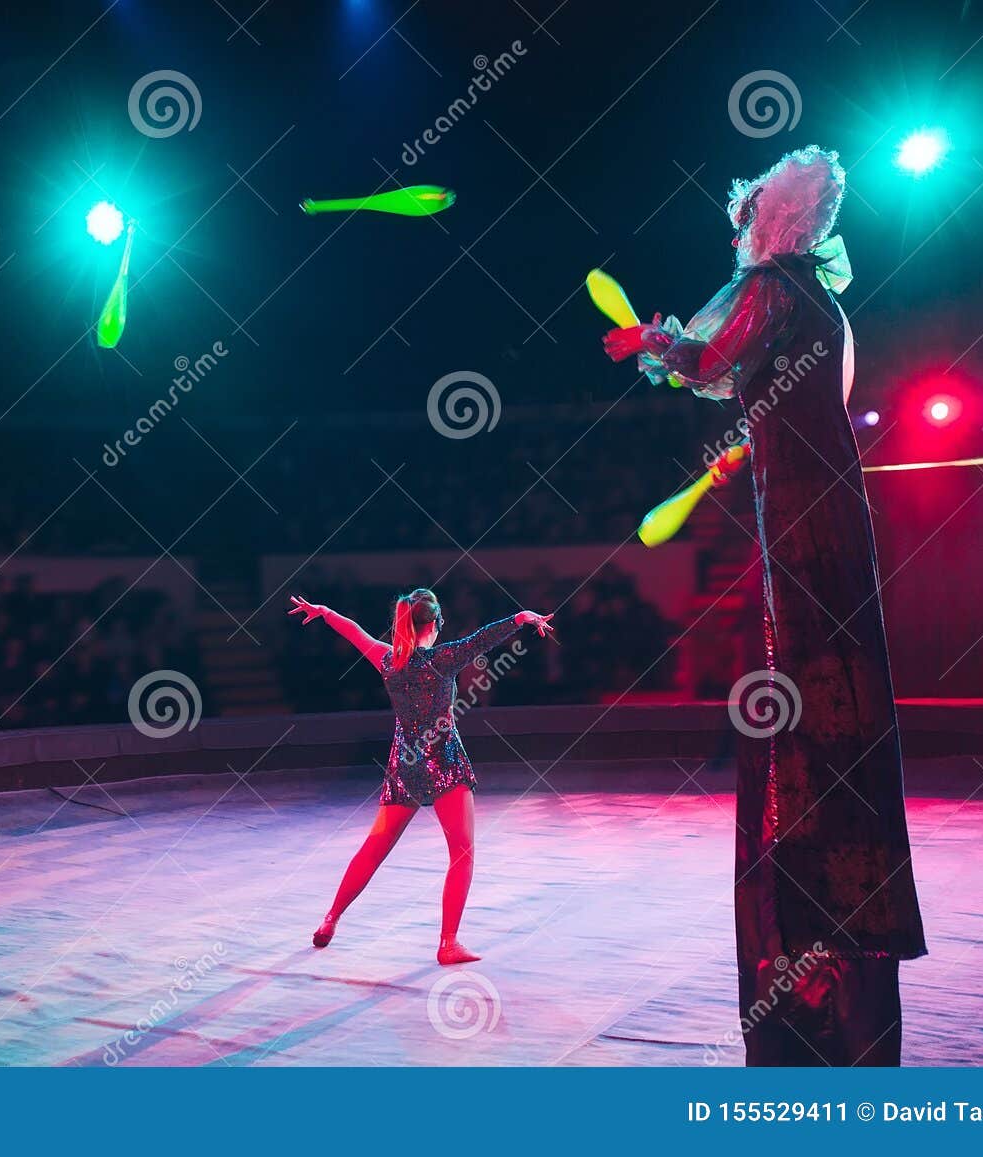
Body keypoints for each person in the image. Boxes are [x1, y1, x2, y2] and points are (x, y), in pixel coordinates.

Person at [604, 146, 927, 1065]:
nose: (738, 225)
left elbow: (707, 358)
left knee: (797, 720)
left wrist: (652, 343)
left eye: (748, 214)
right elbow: (731, 371)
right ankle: (841, 939)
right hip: (834, 526)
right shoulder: (819, 298)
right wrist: (681, 357)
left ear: (775, 224)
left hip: (802, 537)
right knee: (834, 710)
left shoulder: (779, 289)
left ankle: (807, 961)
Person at [288, 589, 555, 965]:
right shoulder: (443, 659)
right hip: (443, 760)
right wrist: (520, 618)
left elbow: (355, 632)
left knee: (375, 847)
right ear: (434, 624)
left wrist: (325, 611)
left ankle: (330, 919)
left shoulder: (387, 660)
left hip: (405, 764)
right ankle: (448, 943)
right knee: (462, 852)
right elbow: (481, 639)